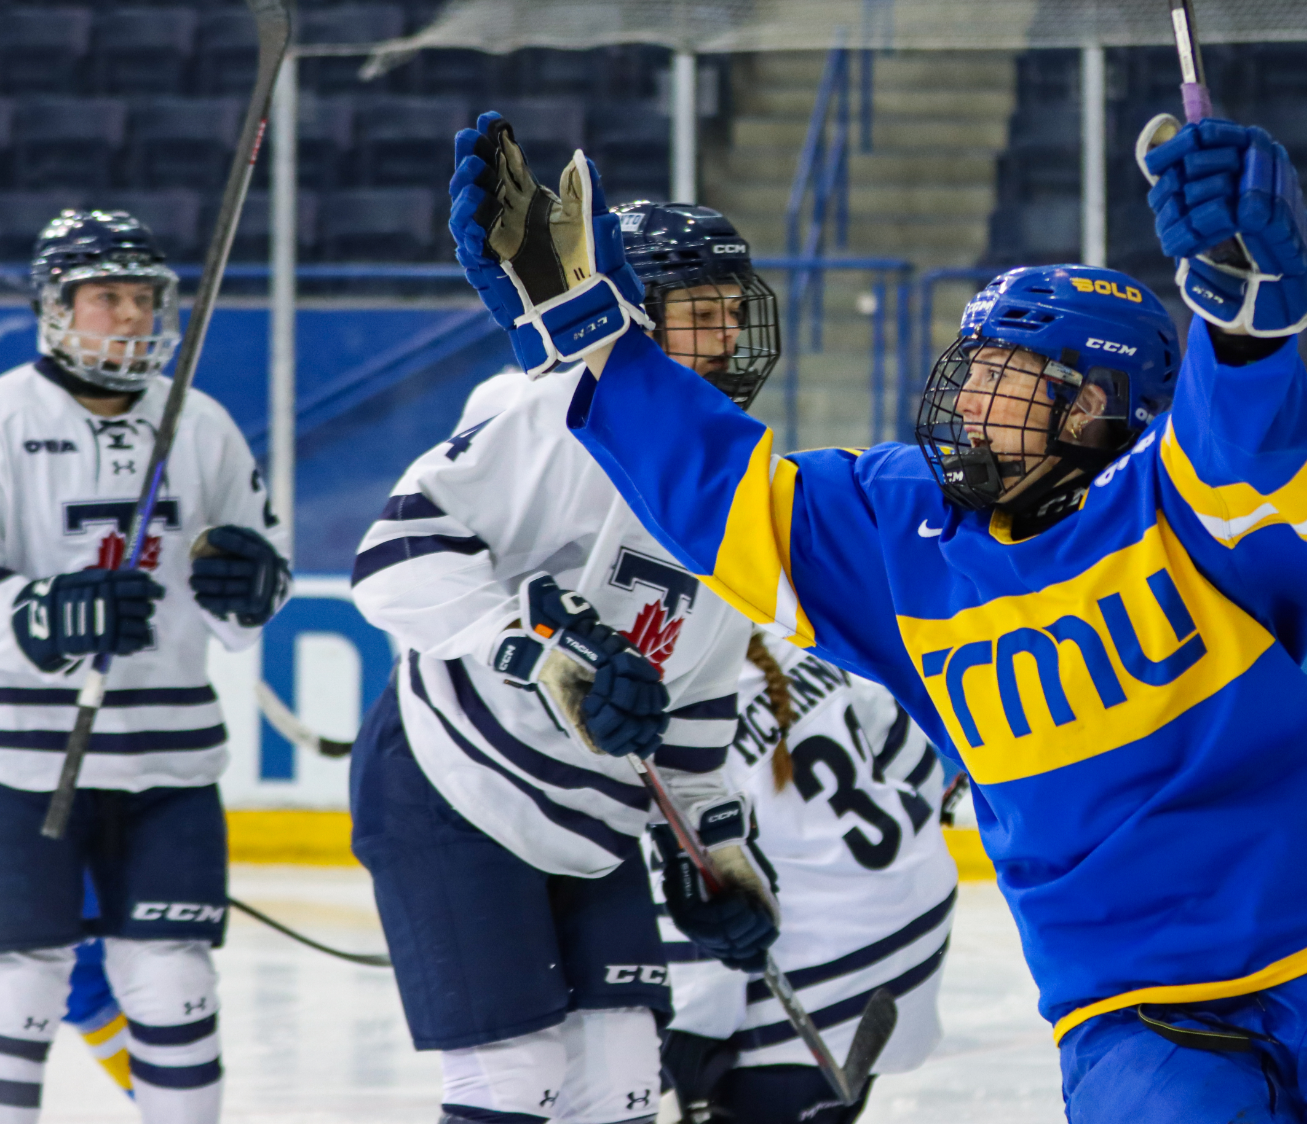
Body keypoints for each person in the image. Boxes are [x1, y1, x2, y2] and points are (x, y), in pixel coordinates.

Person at [447, 109, 1307, 1122]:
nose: (963, 395)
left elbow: (1252, 445)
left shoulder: (1177, 490)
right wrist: (595, 342)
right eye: (969, 364)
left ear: (1096, 403)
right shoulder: (898, 527)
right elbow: (721, 486)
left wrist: (1245, 314)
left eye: (1003, 374)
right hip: (1125, 997)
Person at [347, 195, 792, 1124]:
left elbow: (699, 708)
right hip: (457, 785)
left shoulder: (742, 469)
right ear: (634, 315)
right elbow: (393, 559)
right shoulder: (557, 415)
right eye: (689, 312)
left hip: (593, 822)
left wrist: (716, 853)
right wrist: (538, 651)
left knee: (625, 1077)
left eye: (726, 309)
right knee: (513, 1082)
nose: (715, 337)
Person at [0, 209, 291, 1124]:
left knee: (172, 980)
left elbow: (255, 575)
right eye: (106, 297)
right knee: (19, 986)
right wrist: (39, 612)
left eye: (141, 297)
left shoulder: (198, 421)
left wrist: (252, 586)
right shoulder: (5, 416)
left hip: (169, 762)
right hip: (20, 759)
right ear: (56, 306)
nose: (128, 316)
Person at [659, 629, 956, 1123]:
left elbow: (707, 922)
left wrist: (687, 1056)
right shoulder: (798, 644)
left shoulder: (679, 721)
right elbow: (918, 769)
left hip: (813, 998)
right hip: (917, 936)